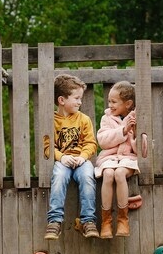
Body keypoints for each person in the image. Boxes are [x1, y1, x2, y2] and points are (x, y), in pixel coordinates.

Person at [43, 73, 99, 239]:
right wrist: (61, 157)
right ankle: (54, 221)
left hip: (82, 161)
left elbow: (91, 143)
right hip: (62, 161)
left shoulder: (84, 119)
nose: (80, 102)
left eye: (80, 98)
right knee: (59, 176)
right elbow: (46, 146)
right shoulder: (50, 121)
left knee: (88, 176)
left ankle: (88, 221)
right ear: (62, 100)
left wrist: (83, 156)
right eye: (76, 98)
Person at [95, 80, 139, 238]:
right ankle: (106, 221)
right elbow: (103, 141)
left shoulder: (137, 118)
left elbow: (144, 148)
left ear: (128, 104)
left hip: (128, 158)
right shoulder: (106, 119)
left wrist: (135, 142)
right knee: (108, 174)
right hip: (110, 157)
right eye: (109, 101)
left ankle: (122, 219)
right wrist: (123, 130)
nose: (110, 105)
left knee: (119, 173)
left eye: (114, 102)